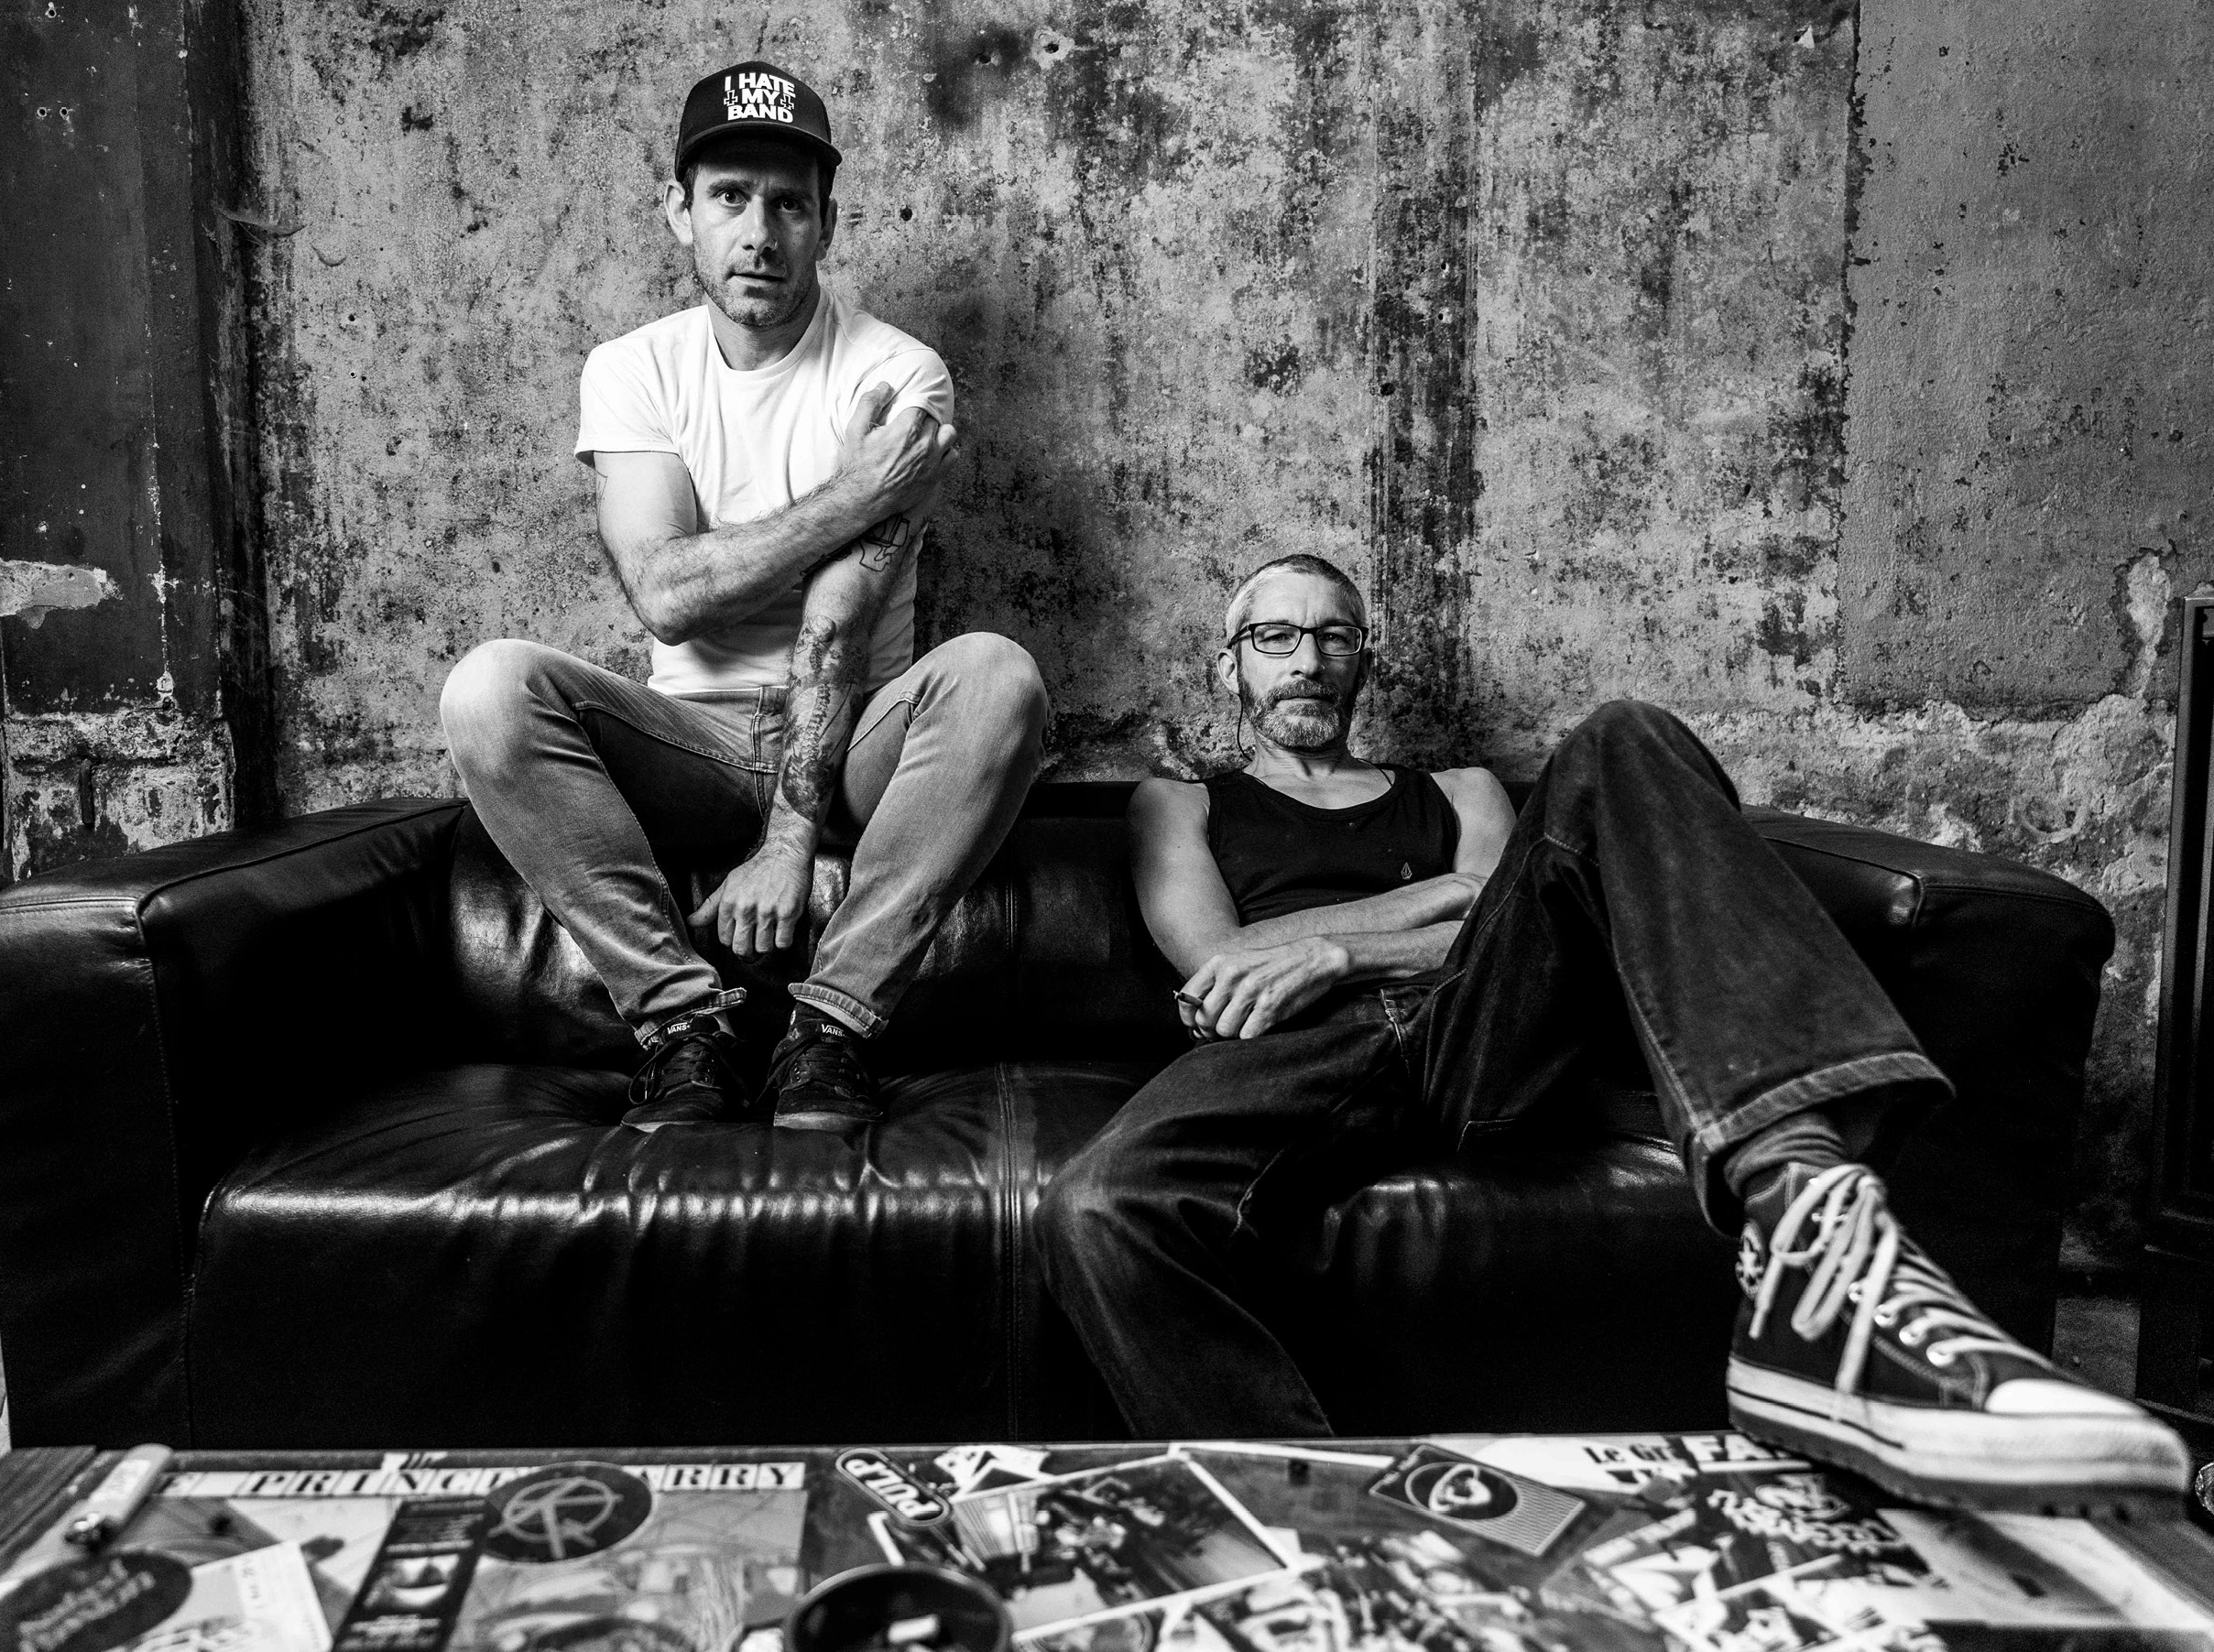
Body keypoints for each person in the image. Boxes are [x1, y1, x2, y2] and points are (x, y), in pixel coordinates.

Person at [1032, 551, 2186, 1514]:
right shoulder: (1181, 800)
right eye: (1275, 636)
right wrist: (1438, 900)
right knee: (1098, 1200)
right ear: (1229, 664)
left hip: (1479, 1024)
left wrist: (1335, 946)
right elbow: (1219, 962)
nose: (1307, 658)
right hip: (1289, 1051)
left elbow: (1504, 927)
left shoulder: (1461, 789)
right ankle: (1328, 1520)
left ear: (1363, 660)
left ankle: (1813, 1250)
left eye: (1334, 636)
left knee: (1622, 736)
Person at [439, 62, 1048, 1131]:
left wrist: (788, 841)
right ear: (679, 211)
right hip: (688, 743)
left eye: (787, 204)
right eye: (728, 197)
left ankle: (831, 1030)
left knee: (998, 675)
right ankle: (684, 1029)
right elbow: (668, 594)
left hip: (857, 739)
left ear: (825, 223)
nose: (759, 234)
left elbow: (836, 619)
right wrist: (854, 493)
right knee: (487, 690)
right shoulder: (633, 369)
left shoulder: (896, 373)